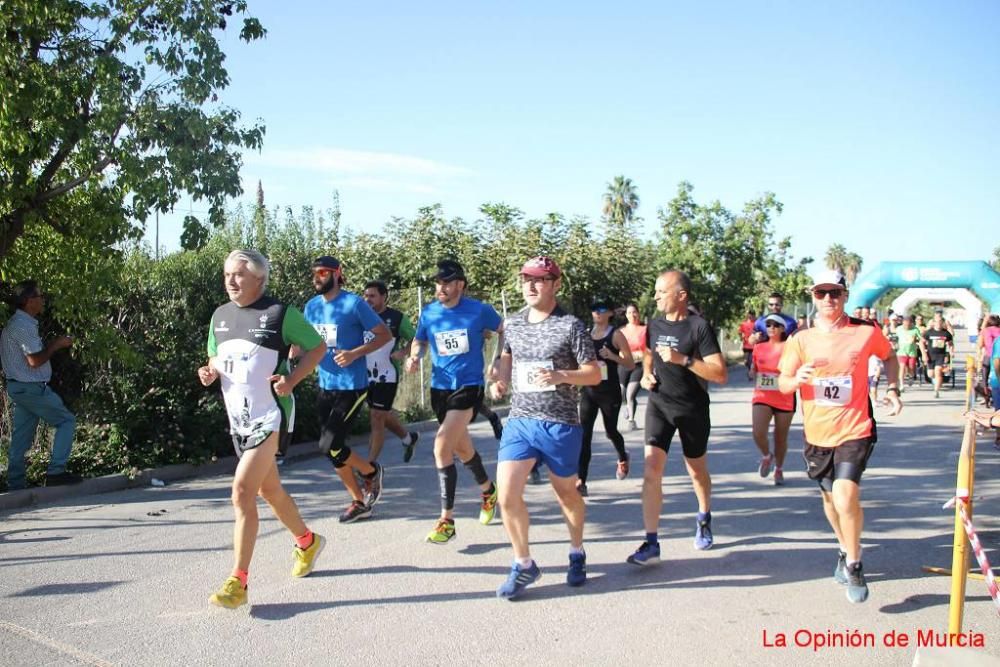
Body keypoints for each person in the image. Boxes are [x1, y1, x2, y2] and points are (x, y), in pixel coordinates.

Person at [198, 250, 328, 609]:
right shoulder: (220, 317)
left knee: (242, 492)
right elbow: (214, 357)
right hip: (237, 420)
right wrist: (209, 372)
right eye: (226, 274)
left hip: (270, 416)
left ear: (259, 278)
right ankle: (307, 541)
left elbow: (317, 347)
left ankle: (237, 582)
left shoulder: (280, 315)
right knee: (270, 490)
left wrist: (292, 379)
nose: (230, 281)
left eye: (239, 275)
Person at [777, 269, 902, 604]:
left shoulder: (865, 332)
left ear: (846, 295)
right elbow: (783, 383)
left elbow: (889, 357)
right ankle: (844, 547)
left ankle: (855, 563)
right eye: (821, 293)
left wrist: (892, 388)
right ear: (812, 297)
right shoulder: (800, 339)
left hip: (856, 428)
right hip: (818, 434)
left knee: (846, 496)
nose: (828, 299)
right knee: (831, 500)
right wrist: (796, 378)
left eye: (835, 292)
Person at [489, 256, 601, 598]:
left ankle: (577, 551)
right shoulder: (513, 323)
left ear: (555, 284)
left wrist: (560, 375)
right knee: (506, 494)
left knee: (566, 493)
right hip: (521, 420)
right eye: (526, 279)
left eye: (539, 279)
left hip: (561, 423)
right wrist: (501, 381)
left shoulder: (571, 326)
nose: (530, 285)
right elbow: (506, 356)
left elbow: (594, 373)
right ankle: (523, 564)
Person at [626, 270, 728, 565]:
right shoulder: (654, 325)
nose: (655, 296)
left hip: (692, 408)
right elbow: (647, 353)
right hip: (659, 405)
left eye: (661, 292)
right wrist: (646, 374)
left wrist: (683, 359)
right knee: (650, 471)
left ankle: (704, 516)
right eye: (655, 291)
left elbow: (720, 373)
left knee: (696, 471)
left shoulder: (699, 328)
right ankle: (651, 542)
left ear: (681, 296)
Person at [405, 259, 501, 544]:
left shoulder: (479, 310)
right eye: (438, 282)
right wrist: (414, 356)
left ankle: (446, 520)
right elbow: (419, 340)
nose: (441, 287)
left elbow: (504, 329)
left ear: (460, 284)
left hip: (469, 386)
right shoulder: (429, 312)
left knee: (441, 445)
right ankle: (488, 490)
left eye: (447, 282)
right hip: (440, 389)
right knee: (461, 447)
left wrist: (496, 361)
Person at [303, 256, 391, 522]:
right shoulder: (312, 307)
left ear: (336, 273)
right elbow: (305, 343)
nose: (317, 277)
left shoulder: (354, 304)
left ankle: (371, 473)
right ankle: (358, 501)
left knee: (329, 443)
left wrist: (354, 353)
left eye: (322, 272)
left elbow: (384, 334)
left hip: (352, 386)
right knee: (332, 449)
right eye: (314, 273)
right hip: (325, 384)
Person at [0, 280, 80, 491]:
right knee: (66, 421)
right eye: (39, 296)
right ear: (28, 301)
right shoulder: (23, 326)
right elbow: (34, 361)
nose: (43, 299)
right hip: (31, 388)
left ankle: (15, 486)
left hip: (20, 388)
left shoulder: (18, 324)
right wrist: (57, 344)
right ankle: (56, 472)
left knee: (21, 438)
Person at [577, 300, 635, 495]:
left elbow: (630, 364)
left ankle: (622, 457)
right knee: (584, 436)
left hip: (609, 392)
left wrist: (612, 356)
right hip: (589, 391)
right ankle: (581, 481)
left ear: (610, 313)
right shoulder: (585, 334)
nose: (596, 313)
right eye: (593, 309)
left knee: (611, 431)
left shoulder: (616, 335)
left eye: (601, 310)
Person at [361, 280, 419, 462]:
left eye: (372, 296)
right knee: (382, 415)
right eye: (366, 295)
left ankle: (370, 465)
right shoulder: (360, 316)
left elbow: (416, 338)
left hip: (386, 375)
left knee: (377, 417)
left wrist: (404, 352)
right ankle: (408, 439)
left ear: (384, 297)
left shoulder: (396, 318)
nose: (367, 299)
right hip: (362, 375)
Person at [749, 314, 794, 486]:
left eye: (776, 325)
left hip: (784, 396)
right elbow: (754, 367)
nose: (771, 327)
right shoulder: (759, 347)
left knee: (780, 437)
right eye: (768, 324)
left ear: (783, 328)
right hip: (763, 395)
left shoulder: (789, 347)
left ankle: (779, 469)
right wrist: (752, 371)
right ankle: (767, 455)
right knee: (758, 432)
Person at [618, 303, 646, 431]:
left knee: (630, 393)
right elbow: (617, 348)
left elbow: (649, 349)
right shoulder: (621, 331)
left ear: (638, 313)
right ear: (626, 315)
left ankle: (631, 420)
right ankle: (628, 407)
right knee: (621, 392)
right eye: (629, 313)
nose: (632, 315)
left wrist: (641, 354)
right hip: (624, 364)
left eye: (634, 312)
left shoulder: (645, 330)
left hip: (639, 366)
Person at [920, 310, 954, 399]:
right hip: (930, 355)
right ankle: (936, 382)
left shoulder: (946, 333)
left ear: (942, 323)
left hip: (941, 355)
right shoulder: (928, 332)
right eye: (937, 322)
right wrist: (924, 354)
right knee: (930, 374)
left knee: (938, 372)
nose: (938, 323)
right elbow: (921, 343)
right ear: (934, 322)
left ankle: (936, 391)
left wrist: (951, 351)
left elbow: (950, 344)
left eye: (940, 322)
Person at [895, 315, 921, 386]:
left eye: (908, 324)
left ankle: (911, 376)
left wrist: (916, 339)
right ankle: (901, 384)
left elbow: (920, 339)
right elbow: (894, 337)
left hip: (911, 352)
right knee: (902, 366)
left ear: (911, 323)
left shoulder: (915, 329)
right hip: (901, 352)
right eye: (905, 324)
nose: (906, 326)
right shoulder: (898, 329)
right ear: (903, 323)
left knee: (911, 367)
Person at [738, 310, 757, 381]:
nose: (750, 316)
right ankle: (750, 370)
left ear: (754, 315)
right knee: (747, 361)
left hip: (754, 345)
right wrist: (742, 337)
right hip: (746, 345)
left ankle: (750, 373)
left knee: (751, 360)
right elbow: (740, 332)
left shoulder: (756, 323)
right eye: (749, 315)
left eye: (752, 314)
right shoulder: (743, 324)